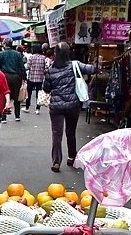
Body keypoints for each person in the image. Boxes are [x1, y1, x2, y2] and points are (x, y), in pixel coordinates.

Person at [41, 42, 95, 172]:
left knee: (56, 134)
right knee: (71, 132)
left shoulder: (50, 70)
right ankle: (72, 157)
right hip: (73, 106)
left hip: (56, 107)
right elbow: (92, 69)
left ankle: (56, 162)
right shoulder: (75, 65)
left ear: (56, 54)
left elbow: (46, 89)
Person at [0, 38, 26, 122]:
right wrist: (24, 78)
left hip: (5, 77)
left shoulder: (1, 54)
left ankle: (3, 117)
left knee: (4, 96)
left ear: (4, 44)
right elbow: (21, 67)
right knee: (16, 97)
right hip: (16, 77)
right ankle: (17, 115)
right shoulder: (18, 54)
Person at [25, 43, 49, 115]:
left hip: (31, 78)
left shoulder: (31, 57)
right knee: (38, 94)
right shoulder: (43, 58)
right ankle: (37, 109)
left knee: (29, 93)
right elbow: (47, 68)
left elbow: (27, 67)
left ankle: (27, 107)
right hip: (40, 79)